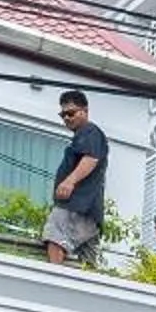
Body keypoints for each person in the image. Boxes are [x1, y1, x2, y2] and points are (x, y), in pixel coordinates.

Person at [45, 89, 108, 264]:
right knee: (86, 263)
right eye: (63, 115)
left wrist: (69, 181)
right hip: (89, 211)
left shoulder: (89, 131)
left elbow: (91, 158)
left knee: (55, 237)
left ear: (85, 111)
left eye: (71, 113)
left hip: (76, 206)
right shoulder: (87, 135)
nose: (66, 118)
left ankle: (53, 277)